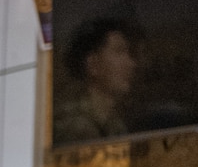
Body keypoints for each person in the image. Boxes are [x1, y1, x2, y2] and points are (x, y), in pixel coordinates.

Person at [54, 15, 140, 145]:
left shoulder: (113, 122)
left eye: (128, 53)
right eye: (119, 52)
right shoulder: (75, 129)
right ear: (93, 64)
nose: (130, 64)